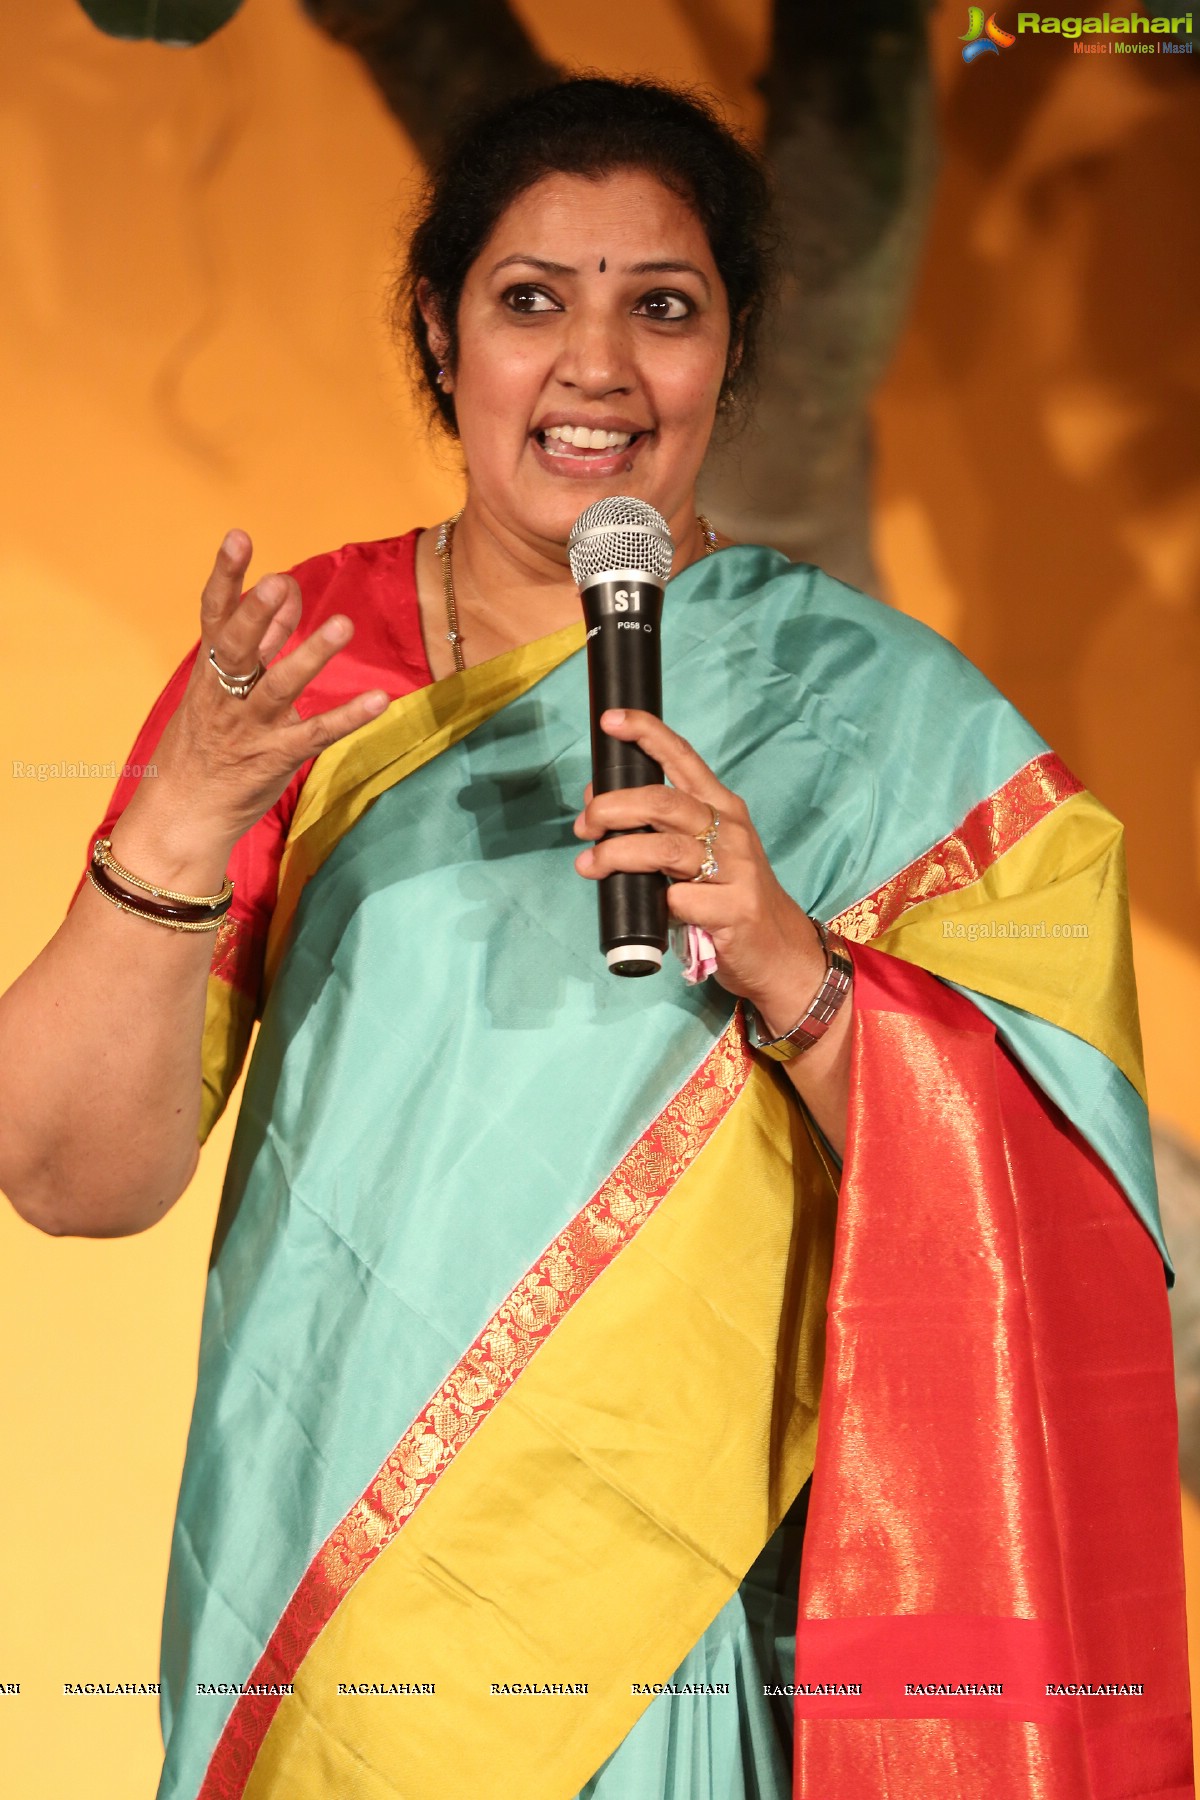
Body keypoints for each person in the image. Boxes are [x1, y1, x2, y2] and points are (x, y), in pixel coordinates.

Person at [0, 75, 1189, 1800]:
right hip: (336, 1590)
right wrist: (178, 821)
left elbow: (1064, 1238)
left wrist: (798, 970)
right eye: (532, 300)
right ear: (443, 330)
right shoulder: (299, 665)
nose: (599, 369)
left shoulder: (886, 722)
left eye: (666, 308)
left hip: (681, 1615)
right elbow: (64, 1176)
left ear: (732, 348)